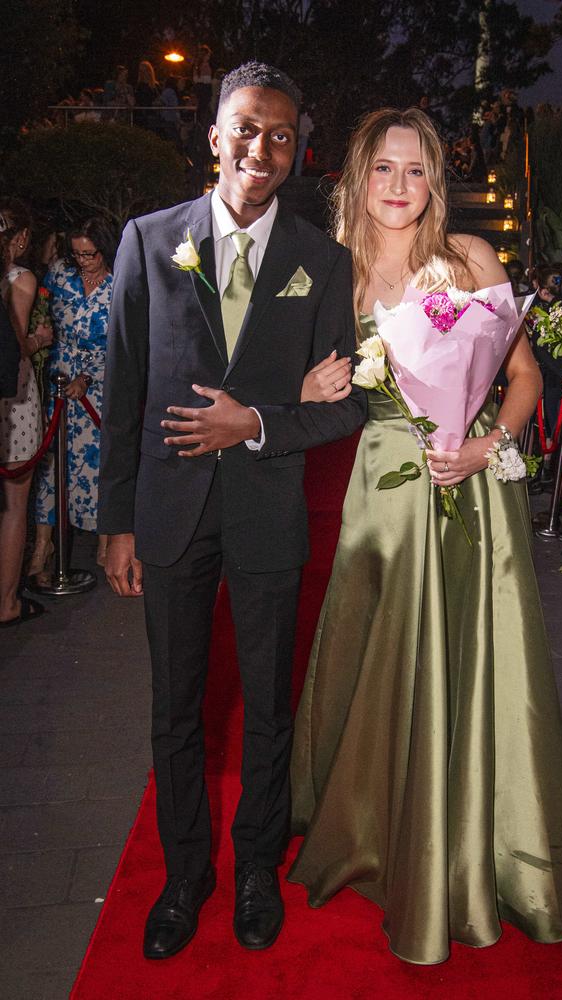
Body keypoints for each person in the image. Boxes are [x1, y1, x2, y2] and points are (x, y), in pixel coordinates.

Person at [288, 107, 562, 965]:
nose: (398, 186)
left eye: (415, 170)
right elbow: (308, 390)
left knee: (476, 659)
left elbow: (523, 377)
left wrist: (487, 443)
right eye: (383, 169)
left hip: (472, 484)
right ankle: (374, 824)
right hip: (384, 493)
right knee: (379, 656)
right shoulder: (330, 270)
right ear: (357, 177)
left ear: (435, 180)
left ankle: (484, 843)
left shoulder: (470, 259)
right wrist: (312, 391)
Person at [97, 61, 366, 959]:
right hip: (168, 513)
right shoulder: (147, 240)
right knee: (174, 709)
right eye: (247, 127)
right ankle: (185, 877)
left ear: (299, 153)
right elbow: (124, 384)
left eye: (282, 134)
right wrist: (118, 522)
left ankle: (256, 865)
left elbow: (344, 404)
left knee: (266, 703)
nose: (263, 147)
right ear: (214, 135)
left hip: (265, 511)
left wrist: (255, 421)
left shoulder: (322, 262)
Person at [31, 217, 115, 579]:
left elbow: (123, 344)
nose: (83, 260)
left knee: (98, 467)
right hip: (59, 378)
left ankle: (106, 540)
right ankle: (42, 545)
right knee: (52, 466)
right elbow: (39, 310)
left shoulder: (119, 281)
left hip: (99, 384)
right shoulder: (59, 274)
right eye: (77, 254)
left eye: (90, 254)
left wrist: (89, 376)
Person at [0, 199, 51, 627]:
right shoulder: (20, 278)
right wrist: (40, 338)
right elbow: (12, 347)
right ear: (18, 240)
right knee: (15, 505)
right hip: (13, 400)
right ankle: (7, 601)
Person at [294, 107, 314, 176]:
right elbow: (311, 129)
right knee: (300, 156)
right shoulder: (308, 119)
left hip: (296, 137)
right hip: (304, 137)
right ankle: (297, 173)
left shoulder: (297, 118)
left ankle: (291, 173)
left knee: (294, 155)